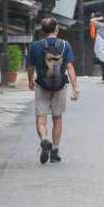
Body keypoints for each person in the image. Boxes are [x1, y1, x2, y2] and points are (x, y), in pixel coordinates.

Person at [27, 17, 79, 164]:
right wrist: (75, 88)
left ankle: (44, 139)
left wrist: (31, 80)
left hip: (42, 85)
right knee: (57, 118)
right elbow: (69, 67)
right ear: (56, 29)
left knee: (41, 119)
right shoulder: (65, 45)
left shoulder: (35, 46)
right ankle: (55, 151)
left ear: (43, 31)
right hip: (59, 86)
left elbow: (30, 67)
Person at [90, 12, 104, 82]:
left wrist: (96, 18)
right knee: (102, 60)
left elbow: (91, 21)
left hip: (101, 43)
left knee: (102, 61)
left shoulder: (100, 25)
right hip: (103, 43)